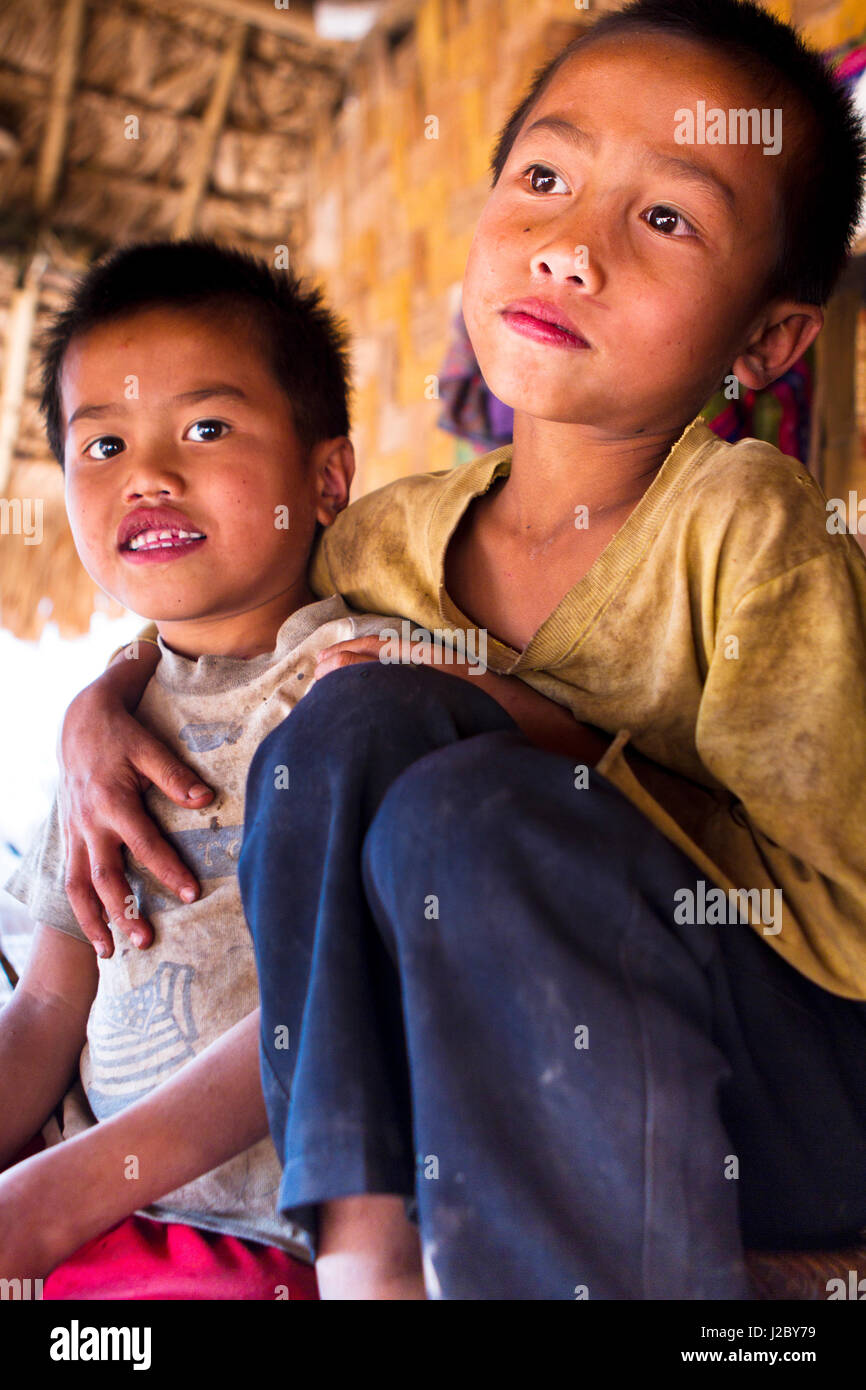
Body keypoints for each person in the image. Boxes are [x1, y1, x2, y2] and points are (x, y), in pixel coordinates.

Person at [49, 0, 866, 1299]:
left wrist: (508, 719)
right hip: (517, 1092)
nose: (570, 248)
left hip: (785, 1096)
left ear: (765, 340)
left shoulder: (746, 526)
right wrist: (99, 704)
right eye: (543, 177)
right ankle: (367, 1248)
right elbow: (212, 617)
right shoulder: (383, 543)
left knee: (456, 790)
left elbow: (839, 921)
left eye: (663, 217)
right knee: (356, 732)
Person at [0, 238, 395, 1296]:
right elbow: (44, 1008)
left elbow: (330, 1006)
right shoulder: (104, 736)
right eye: (104, 445)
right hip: (89, 1219)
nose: (149, 477)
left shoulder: (356, 688)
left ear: (325, 478)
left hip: (263, 1238)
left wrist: (48, 1199)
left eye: (206, 428)